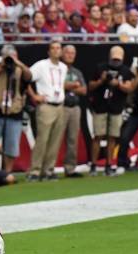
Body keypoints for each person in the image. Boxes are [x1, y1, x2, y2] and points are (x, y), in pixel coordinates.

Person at [0, 44, 32, 173]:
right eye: (8, 56)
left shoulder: (20, 69)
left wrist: (18, 63)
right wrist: (1, 66)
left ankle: (7, 172)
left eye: (13, 56)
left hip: (14, 111)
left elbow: (29, 77)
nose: (11, 59)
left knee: (11, 146)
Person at [88, 46, 134, 176]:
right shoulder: (100, 67)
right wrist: (101, 81)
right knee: (98, 135)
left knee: (112, 137)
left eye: (118, 59)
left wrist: (118, 84)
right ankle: (94, 165)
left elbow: (129, 88)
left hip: (116, 107)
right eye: (114, 59)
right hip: (100, 106)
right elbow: (90, 86)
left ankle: (109, 164)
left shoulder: (125, 71)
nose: (116, 62)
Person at [27, 41, 68, 181]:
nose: (56, 51)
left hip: (60, 105)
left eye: (58, 48)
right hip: (46, 106)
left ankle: (48, 170)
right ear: (48, 51)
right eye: (53, 48)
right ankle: (35, 170)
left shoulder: (63, 67)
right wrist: (34, 96)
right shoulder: (41, 65)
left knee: (55, 141)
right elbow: (26, 78)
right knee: (42, 139)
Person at [62, 45, 87, 178]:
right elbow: (57, 85)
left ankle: (70, 168)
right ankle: (46, 169)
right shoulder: (58, 69)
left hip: (75, 107)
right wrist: (73, 85)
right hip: (61, 106)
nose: (70, 55)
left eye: (73, 53)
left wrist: (68, 87)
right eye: (68, 53)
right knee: (54, 138)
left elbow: (84, 90)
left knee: (73, 139)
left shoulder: (77, 72)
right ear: (62, 54)